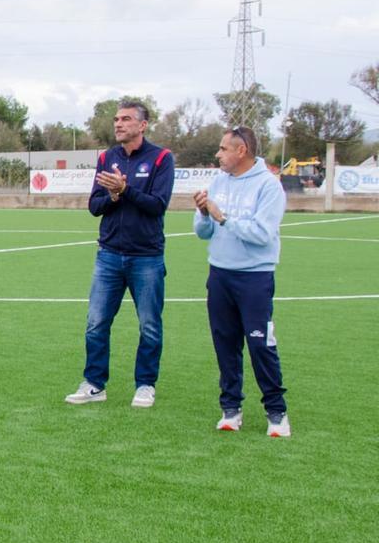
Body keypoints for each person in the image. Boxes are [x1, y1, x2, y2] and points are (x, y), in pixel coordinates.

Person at [66, 98, 175, 408]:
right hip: (109, 255)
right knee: (96, 323)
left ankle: (145, 384)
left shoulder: (161, 159)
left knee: (149, 325)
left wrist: (125, 191)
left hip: (147, 257)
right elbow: (94, 206)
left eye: (126, 119)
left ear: (142, 125)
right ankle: (94, 383)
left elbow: (157, 205)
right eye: (116, 119)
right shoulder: (107, 157)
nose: (118, 124)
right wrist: (113, 195)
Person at [193, 126, 290, 437]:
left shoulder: (269, 187)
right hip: (220, 274)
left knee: (260, 344)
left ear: (241, 151)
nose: (218, 154)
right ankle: (231, 408)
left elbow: (263, 234)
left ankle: (277, 412)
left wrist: (223, 218)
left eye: (223, 149)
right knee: (225, 343)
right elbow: (202, 232)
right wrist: (204, 215)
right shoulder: (219, 181)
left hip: (255, 278)